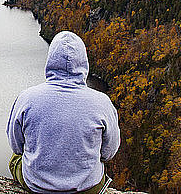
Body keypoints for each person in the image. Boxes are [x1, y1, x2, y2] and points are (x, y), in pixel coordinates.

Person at [7, 31, 120, 194]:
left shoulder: (27, 98)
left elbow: (16, 146)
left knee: (14, 159)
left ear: (50, 59)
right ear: (84, 62)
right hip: (87, 187)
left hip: (38, 186)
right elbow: (108, 152)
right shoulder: (102, 102)